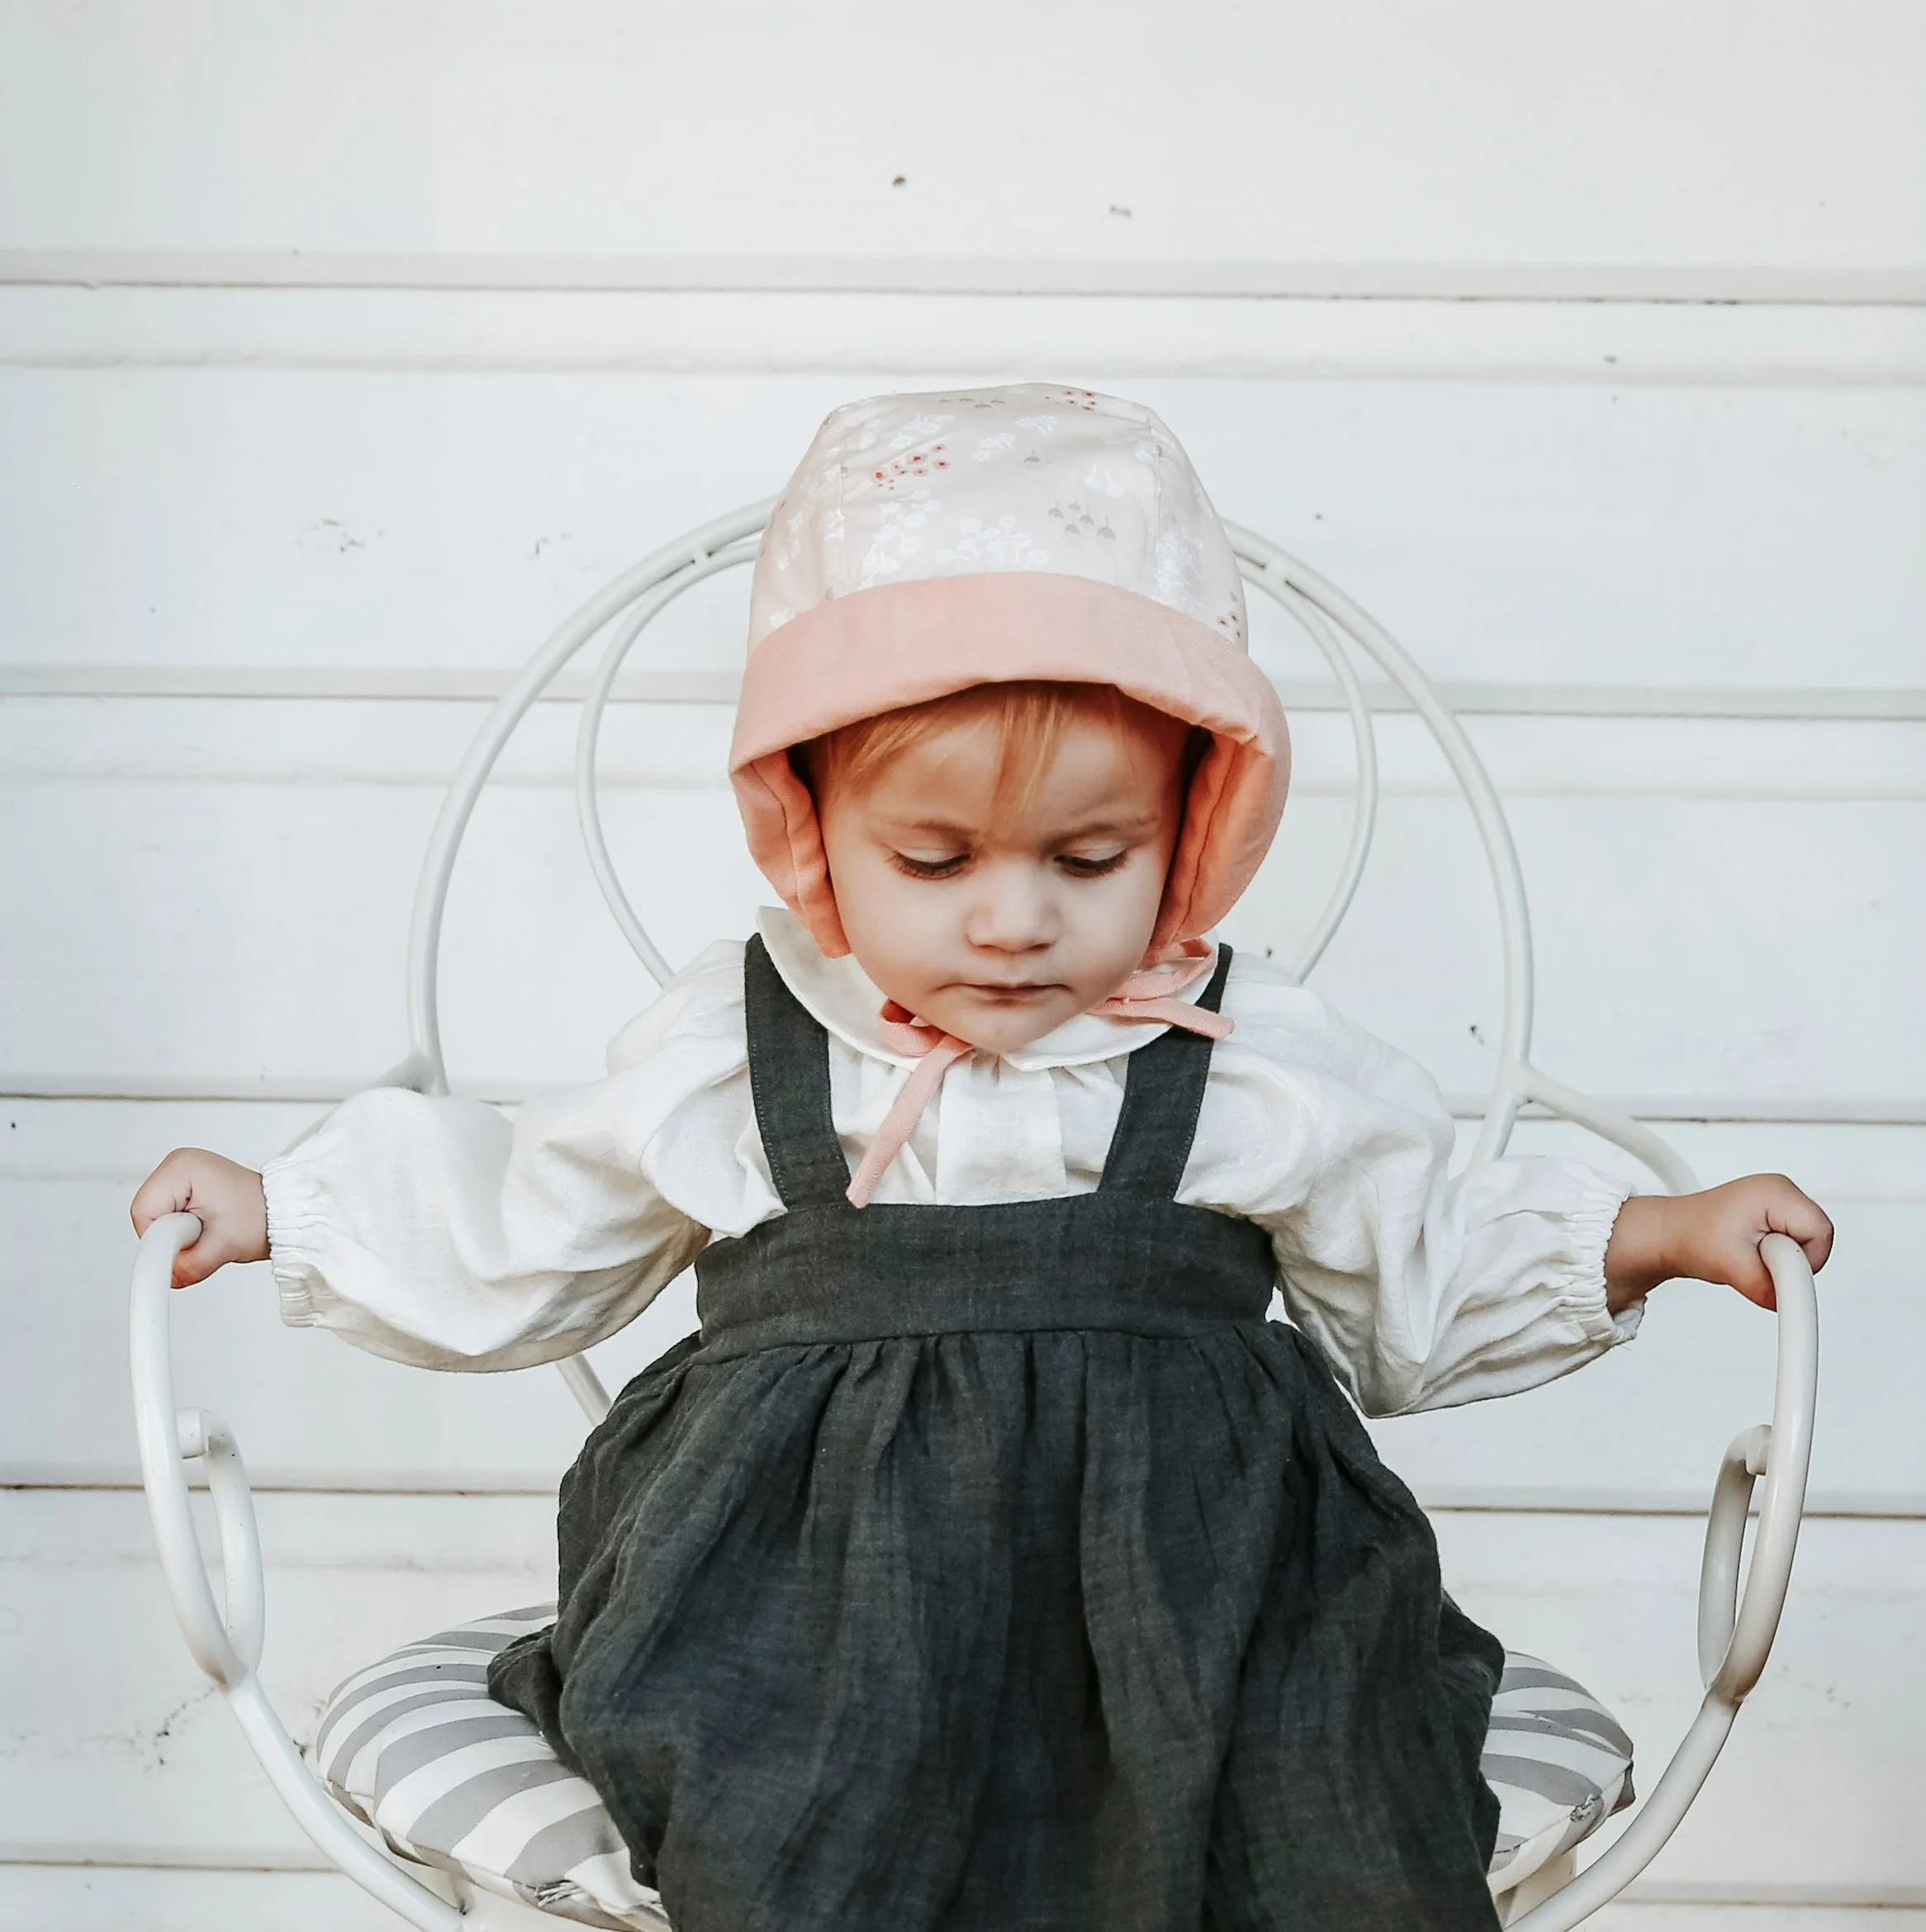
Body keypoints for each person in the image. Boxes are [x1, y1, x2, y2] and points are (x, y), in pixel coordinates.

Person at [131, 385, 1832, 1931]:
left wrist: (1650, 1234)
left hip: (1215, 1591)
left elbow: (1417, 1237)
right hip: (796, 1596)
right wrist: (293, 1212)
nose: (1014, 918)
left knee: (1331, 1816)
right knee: (789, 1826)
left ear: (1191, 825)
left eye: (1089, 855)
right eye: (932, 856)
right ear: (808, 826)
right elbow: (534, 1209)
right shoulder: (742, 1043)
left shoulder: (1241, 1043)